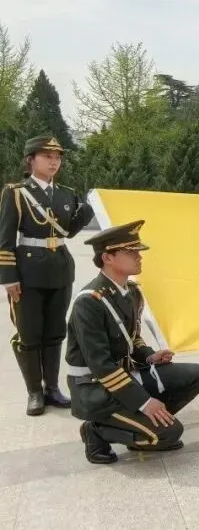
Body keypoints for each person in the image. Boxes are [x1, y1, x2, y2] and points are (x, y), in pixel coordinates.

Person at [68, 220, 199, 464]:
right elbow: (101, 365)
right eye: (130, 252)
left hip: (123, 375)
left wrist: (149, 356)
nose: (139, 256)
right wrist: (144, 402)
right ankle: (96, 430)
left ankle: (143, 422)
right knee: (170, 433)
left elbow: (132, 338)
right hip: (94, 387)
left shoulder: (130, 292)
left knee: (197, 374)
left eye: (138, 251)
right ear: (107, 258)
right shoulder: (89, 301)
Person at [0, 135, 96, 416]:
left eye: (57, 158)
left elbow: (66, 232)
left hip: (60, 269)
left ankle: (52, 388)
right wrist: (8, 277)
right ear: (31, 160)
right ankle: (34, 392)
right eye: (47, 157)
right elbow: (5, 239)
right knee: (29, 334)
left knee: (55, 333)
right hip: (28, 272)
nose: (54, 162)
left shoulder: (66, 193)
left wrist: (83, 215)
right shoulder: (16, 193)